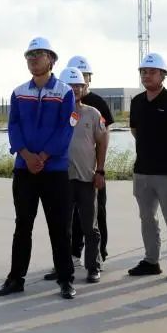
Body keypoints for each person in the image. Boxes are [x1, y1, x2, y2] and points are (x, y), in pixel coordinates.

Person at [0, 37, 77, 299]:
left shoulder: (64, 92)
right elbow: (14, 126)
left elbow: (66, 129)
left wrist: (44, 155)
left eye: (38, 54)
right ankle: (15, 279)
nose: (33, 59)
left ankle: (65, 279)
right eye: (29, 55)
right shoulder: (19, 92)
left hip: (55, 170)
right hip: (24, 169)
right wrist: (27, 155)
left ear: (51, 59)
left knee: (59, 227)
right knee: (23, 225)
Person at [128, 52, 167, 281]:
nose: (146, 75)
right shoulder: (137, 102)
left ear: (163, 75)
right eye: (143, 71)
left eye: (152, 72)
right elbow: (135, 130)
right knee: (147, 219)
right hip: (142, 171)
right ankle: (151, 260)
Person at [67, 56, 114, 266]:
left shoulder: (97, 105)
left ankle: (99, 254)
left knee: (96, 213)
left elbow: (104, 137)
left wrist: (99, 168)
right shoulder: (61, 105)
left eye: (83, 76)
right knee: (71, 218)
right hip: (68, 174)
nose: (78, 83)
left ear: (88, 79)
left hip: (90, 170)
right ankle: (74, 252)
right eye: (73, 79)